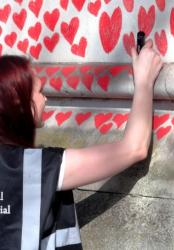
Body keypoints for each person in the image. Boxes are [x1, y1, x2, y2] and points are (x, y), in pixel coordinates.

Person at [0, 39, 163, 249]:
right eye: (39, 91)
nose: (45, 99)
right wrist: (144, 82)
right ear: (17, 101)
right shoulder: (37, 169)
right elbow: (134, 149)